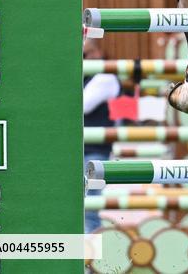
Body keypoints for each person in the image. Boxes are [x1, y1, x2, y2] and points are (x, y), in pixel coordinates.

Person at [82, 37, 121, 233]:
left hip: (96, 155)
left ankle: (92, 262)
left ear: (97, 54)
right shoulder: (89, 77)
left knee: (89, 211)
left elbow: (83, 106)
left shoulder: (105, 77)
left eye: (83, 55)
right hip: (80, 152)